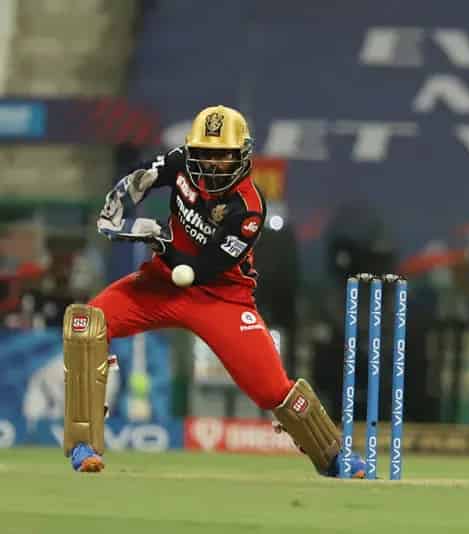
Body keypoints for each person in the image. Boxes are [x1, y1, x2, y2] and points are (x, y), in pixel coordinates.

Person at [62, 105, 365, 478]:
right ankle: (84, 445)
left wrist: (158, 238)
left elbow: (201, 269)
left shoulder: (249, 208)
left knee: (273, 390)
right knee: (87, 325)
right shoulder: (181, 163)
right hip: (160, 285)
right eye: (205, 153)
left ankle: (335, 457)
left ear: (242, 155)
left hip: (221, 297)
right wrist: (127, 193)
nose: (212, 163)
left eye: (223, 155)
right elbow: (147, 176)